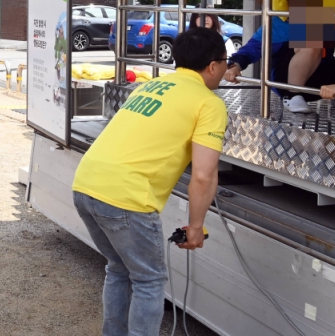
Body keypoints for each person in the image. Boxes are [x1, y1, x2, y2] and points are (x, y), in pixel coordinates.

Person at [73, 27, 228, 336]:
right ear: (213, 66)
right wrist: (195, 228)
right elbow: (203, 174)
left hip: (86, 184)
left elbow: (204, 173)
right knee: (149, 280)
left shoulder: (151, 86)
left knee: (119, 270)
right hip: (126, 198)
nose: (227, 69)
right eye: (227, 61)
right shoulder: (209, 103)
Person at [224, 15, 335, 113]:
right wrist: (235, 66)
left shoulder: (325, 19)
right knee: (311, 42)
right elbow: (251, 49)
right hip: (286, 82)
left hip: (321, 83)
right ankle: (292, 96)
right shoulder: (276, 22)